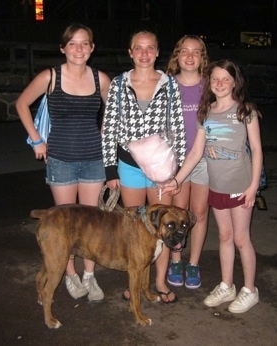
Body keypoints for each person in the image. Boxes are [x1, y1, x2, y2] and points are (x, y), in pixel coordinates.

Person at [16, 23, 111, 301]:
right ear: (63, 48)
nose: (79, 49)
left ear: (92, 48)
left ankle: (89, 275)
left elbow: (113, 110)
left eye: (84, 43)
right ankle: (70, 274)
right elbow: (21, 104)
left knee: (92, 221)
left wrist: (105, 134)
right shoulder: (50, 77)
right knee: (66, 222)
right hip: (60, 158)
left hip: (94, 158)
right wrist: (36, 139)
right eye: (73, 43)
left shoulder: (100, 79)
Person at [163, 59, 262, 313]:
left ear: (234, 82)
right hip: (216, 186)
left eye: (225, 79)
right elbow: (196, 152)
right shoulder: (205, 112)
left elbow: (258, 151)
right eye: (215, 79)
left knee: (241, 238)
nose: (220, 83)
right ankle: (227, 284)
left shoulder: (245, 111)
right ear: (209, 82)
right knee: (225, 236)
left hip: (240, 186)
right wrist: (177, 179)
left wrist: (252, 187)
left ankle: (250, 289)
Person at [101, 30, 186, 303]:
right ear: (130, 52)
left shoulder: (169, 84)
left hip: (162, 169)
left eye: (150, 48)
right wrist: (110, 170)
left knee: (165, 229)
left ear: (158, 52)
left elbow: (178, 128)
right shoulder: (118, 84)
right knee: (135, 228)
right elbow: (110, 128)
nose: (145, 53)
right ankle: (136, 282)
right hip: (129, 165)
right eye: (139, 48)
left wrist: (178, 171)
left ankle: (159, 282)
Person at [166, 35, 209, 289]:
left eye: (196, 52)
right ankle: (175, 260)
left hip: (204, 160)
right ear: (177, 56)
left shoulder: (210, 86)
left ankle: (193, 263)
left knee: (200, 213)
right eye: (185, 51)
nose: (190, 56)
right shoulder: (166, 85)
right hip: (176, 161)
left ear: (202, 57)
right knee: (178, 213)